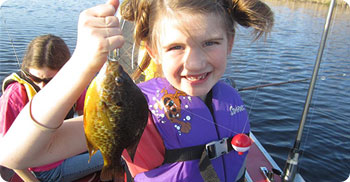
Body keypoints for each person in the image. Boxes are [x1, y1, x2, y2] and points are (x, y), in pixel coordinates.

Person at [0, 0, 273, 181]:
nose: (195, 62)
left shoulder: (229, 98)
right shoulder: (142, 106)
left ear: (230, 43)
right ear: (153, 51)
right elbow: (14, 155)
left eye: (211, 42)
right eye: (176, 47)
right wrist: (80, 64)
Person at [0, 34, 104, 182]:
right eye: (35, 78)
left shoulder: (72, 85)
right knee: (119, 155)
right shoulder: (14, 97)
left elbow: (86, 115)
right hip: (44, 169)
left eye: (50, 80)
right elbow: (6, 152)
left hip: (64, 149)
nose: (41, 86)